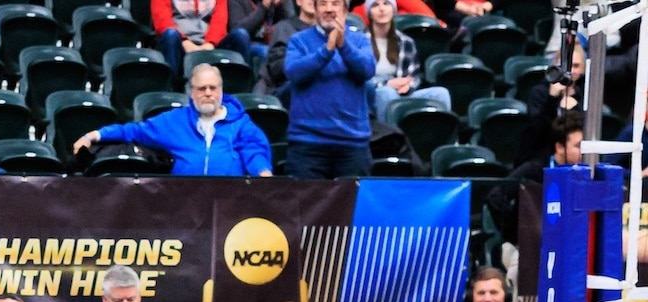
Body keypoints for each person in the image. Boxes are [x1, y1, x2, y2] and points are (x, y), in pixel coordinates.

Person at [73, 63, 273, 176]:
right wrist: (93, 135)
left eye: (213, 88)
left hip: (229, 202)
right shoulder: (173, 121)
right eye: (202, 89)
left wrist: (263, 172)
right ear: (191, 92)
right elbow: (134, 131)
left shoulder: (241, 123)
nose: (208, 93)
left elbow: (254, 151)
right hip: (183, 202)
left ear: (221, 90)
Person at [283, 0, 374, 179]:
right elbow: (294, 72)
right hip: (307, 144)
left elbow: (367, 70)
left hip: (352, 144)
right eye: (323, 4)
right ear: (315, 10)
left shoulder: (360, 40)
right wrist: (327, 50)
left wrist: (344, 46)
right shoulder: (298, 41)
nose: (329, 9)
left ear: (345, 10)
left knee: (352, 206)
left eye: (335, 3)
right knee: (306, 207)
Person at [488, 108, 580, 243]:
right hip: (526, 245)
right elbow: (495, 197)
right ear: (560, 147)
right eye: (578, 146)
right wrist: (515, 233)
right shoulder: (533, 170)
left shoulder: (587, 173)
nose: (584, 151)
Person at [363, 0, 449, 120]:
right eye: (375, 5)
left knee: (441, 93)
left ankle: (443, 138)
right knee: (387, 93)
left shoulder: (405, 41)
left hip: (402, 92)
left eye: (386, 4)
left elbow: (414, 75)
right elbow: (361, 80)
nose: (382, 9)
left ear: (393, 9)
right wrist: (387, 84)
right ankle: (390, 137)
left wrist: (409, 85)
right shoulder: (361, 41)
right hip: (374, 95)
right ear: (369, 12)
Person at [153, 0, 253, 75]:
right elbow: (162, 20)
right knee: (170, 34)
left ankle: (242, 91)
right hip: (179, 43)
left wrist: (210, 43)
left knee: (241, 35)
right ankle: (170, 90)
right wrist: (185, 42)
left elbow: (220, 20)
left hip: (210, 45)